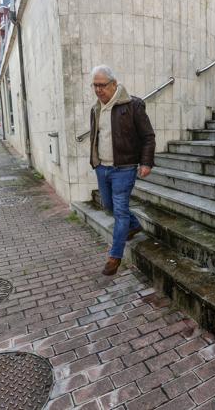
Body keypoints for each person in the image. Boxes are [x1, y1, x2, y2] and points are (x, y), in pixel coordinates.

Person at [89, 65, 155, 276]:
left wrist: (146, 163)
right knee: (108, 205)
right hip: (102, 167)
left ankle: (115, 256)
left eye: (102, 85)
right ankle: (133, 224)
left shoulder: (133, 105)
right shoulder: (96, 108)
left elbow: (148, 136)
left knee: (119, 209)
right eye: (95, 85)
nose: (98, 90)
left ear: (114, 84)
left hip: (124, 168)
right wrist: (96, 162)